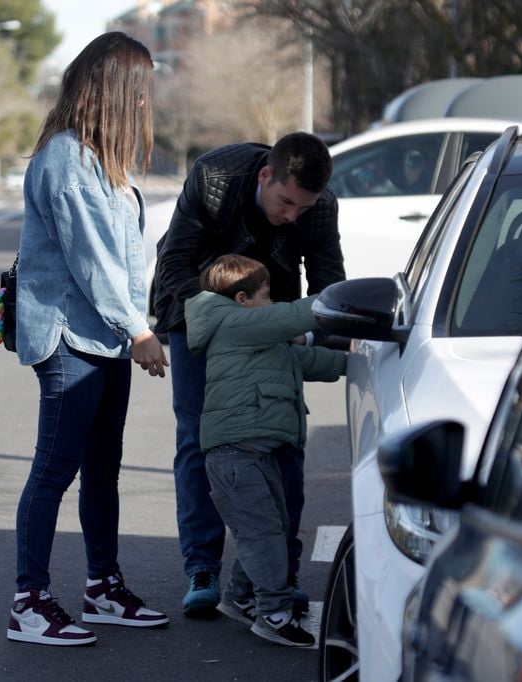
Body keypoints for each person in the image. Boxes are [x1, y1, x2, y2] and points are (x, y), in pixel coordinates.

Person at [6, 31, 170, 648]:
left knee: (103, 471)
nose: (144, 104)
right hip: (72, 338)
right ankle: (29, 602)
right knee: (54, 471)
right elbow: (95, 263)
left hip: (101, 338)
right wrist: (140, 330)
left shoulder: (103, 160)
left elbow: (122, 260)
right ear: (114, 90)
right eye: (139, 91)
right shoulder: (68, 160)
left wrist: (131, 326)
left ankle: (103, 587)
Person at [153, 131, 346, 617]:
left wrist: (338, 337)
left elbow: (328, 286)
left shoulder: (318, 208)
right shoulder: (216, 177)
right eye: (285, 203)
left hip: (270, 313)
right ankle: (202, 567)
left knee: (281, 439)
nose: (292, 216)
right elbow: (173, 263)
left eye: (303, 207)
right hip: (195, 312)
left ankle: (280, 572)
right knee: (201, 437)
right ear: (265, 176)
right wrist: (226, 321)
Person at [185, 254, 347, 646]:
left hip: (253, 453)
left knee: (265, 529)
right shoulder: (234, 323)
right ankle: (273, 613)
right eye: (267, 295)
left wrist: (358, 363)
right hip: (234, 455)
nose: (272, 302)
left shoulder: (257, 337)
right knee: (262, 534)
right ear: (242, 299)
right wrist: (338, 301)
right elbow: (291, 317)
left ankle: (240, 596)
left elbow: (307, 358)